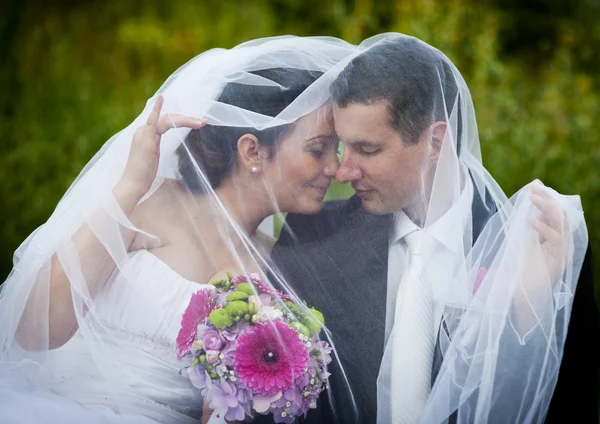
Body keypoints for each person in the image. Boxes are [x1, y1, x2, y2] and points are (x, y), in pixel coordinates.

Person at [0, 36, 353, 423]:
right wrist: (130, 187)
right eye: (319, 149)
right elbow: (34, 330)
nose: (335, 168)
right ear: (252, 151)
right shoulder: (147, 206)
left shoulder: (275, 263)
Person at [271, 34, 598, 423]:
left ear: (435, 141)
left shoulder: (540, 245)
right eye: (343, 146)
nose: (344, 170)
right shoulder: (310, 236)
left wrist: (528, 319)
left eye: (368, 149)